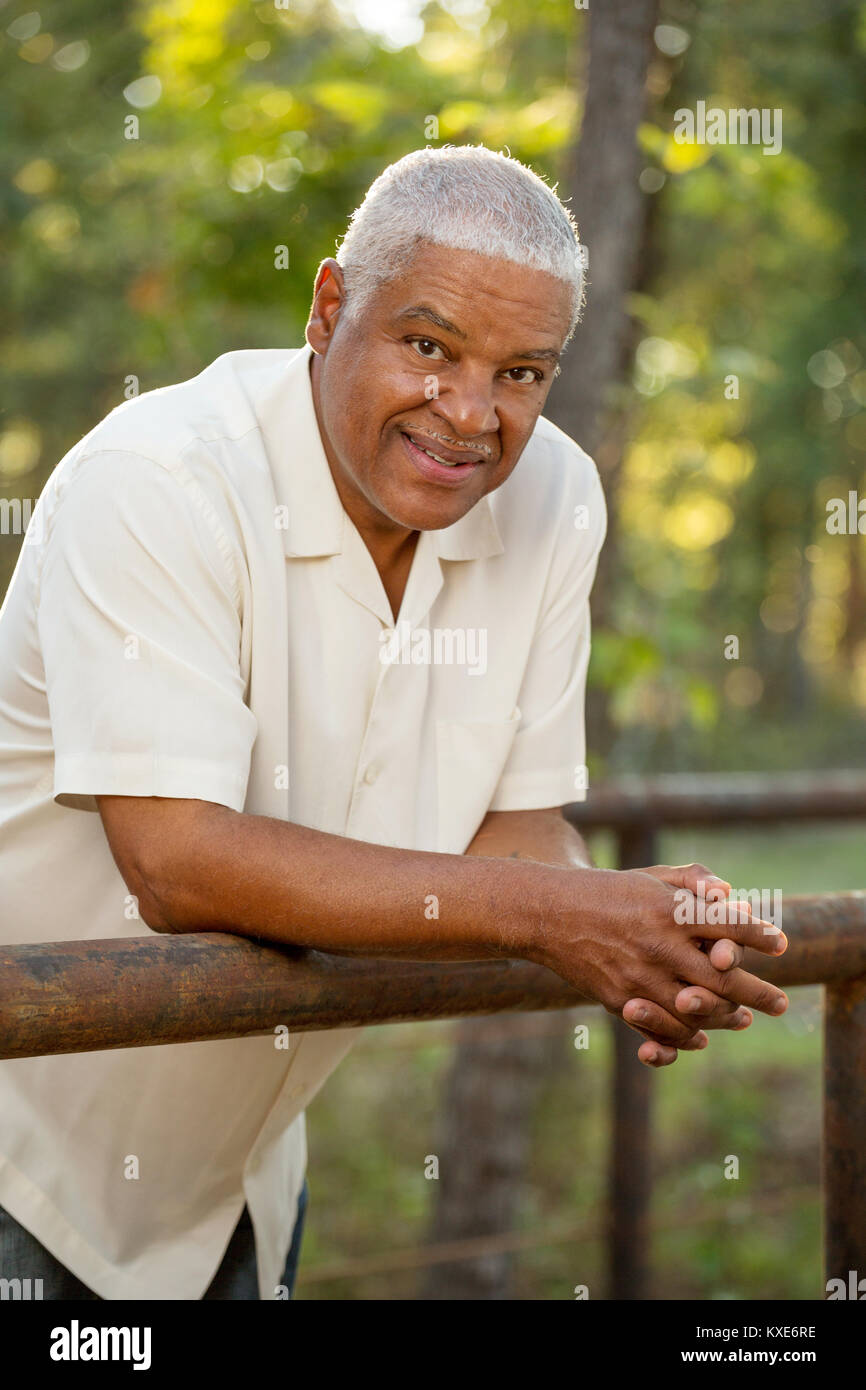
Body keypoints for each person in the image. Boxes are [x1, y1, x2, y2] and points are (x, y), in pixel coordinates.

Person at [0, 145, 788, 1301]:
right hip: (21, 1167)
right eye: (428, 347)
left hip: (241, 1189)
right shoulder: (158, 479)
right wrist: (552, 911)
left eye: (521, 372)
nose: (470, 415)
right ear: (328, 309)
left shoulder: (555, 497)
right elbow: (174, 860)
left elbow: (517, 833)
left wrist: (637, 939)